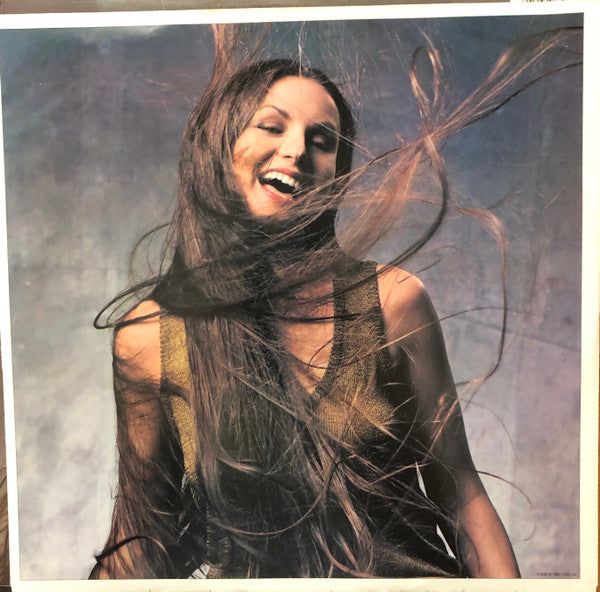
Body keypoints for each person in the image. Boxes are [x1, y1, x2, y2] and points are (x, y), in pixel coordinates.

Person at [88, 33, 561, 578]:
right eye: (272, 126)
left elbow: (461, 497)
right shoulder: (149, 338)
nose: (296, 150)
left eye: (323, 140)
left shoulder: (392, 301)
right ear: (219, 147)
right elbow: (141, 538)